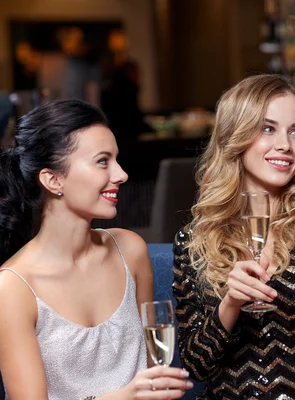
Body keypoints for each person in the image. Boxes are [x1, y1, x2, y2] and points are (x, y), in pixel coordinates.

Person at [172, 74, 295, 399]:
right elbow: (194, 367)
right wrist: (230, 304)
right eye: (268, 128)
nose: (285, 145)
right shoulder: (195, 240)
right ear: (236, 135)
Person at [0, 99, 192, 399]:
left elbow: (158, 374)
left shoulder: (130, 250)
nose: (121, 174)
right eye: (103, 161)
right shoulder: (12, 287)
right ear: (53, 179)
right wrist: (125, 396)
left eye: (116, 159)